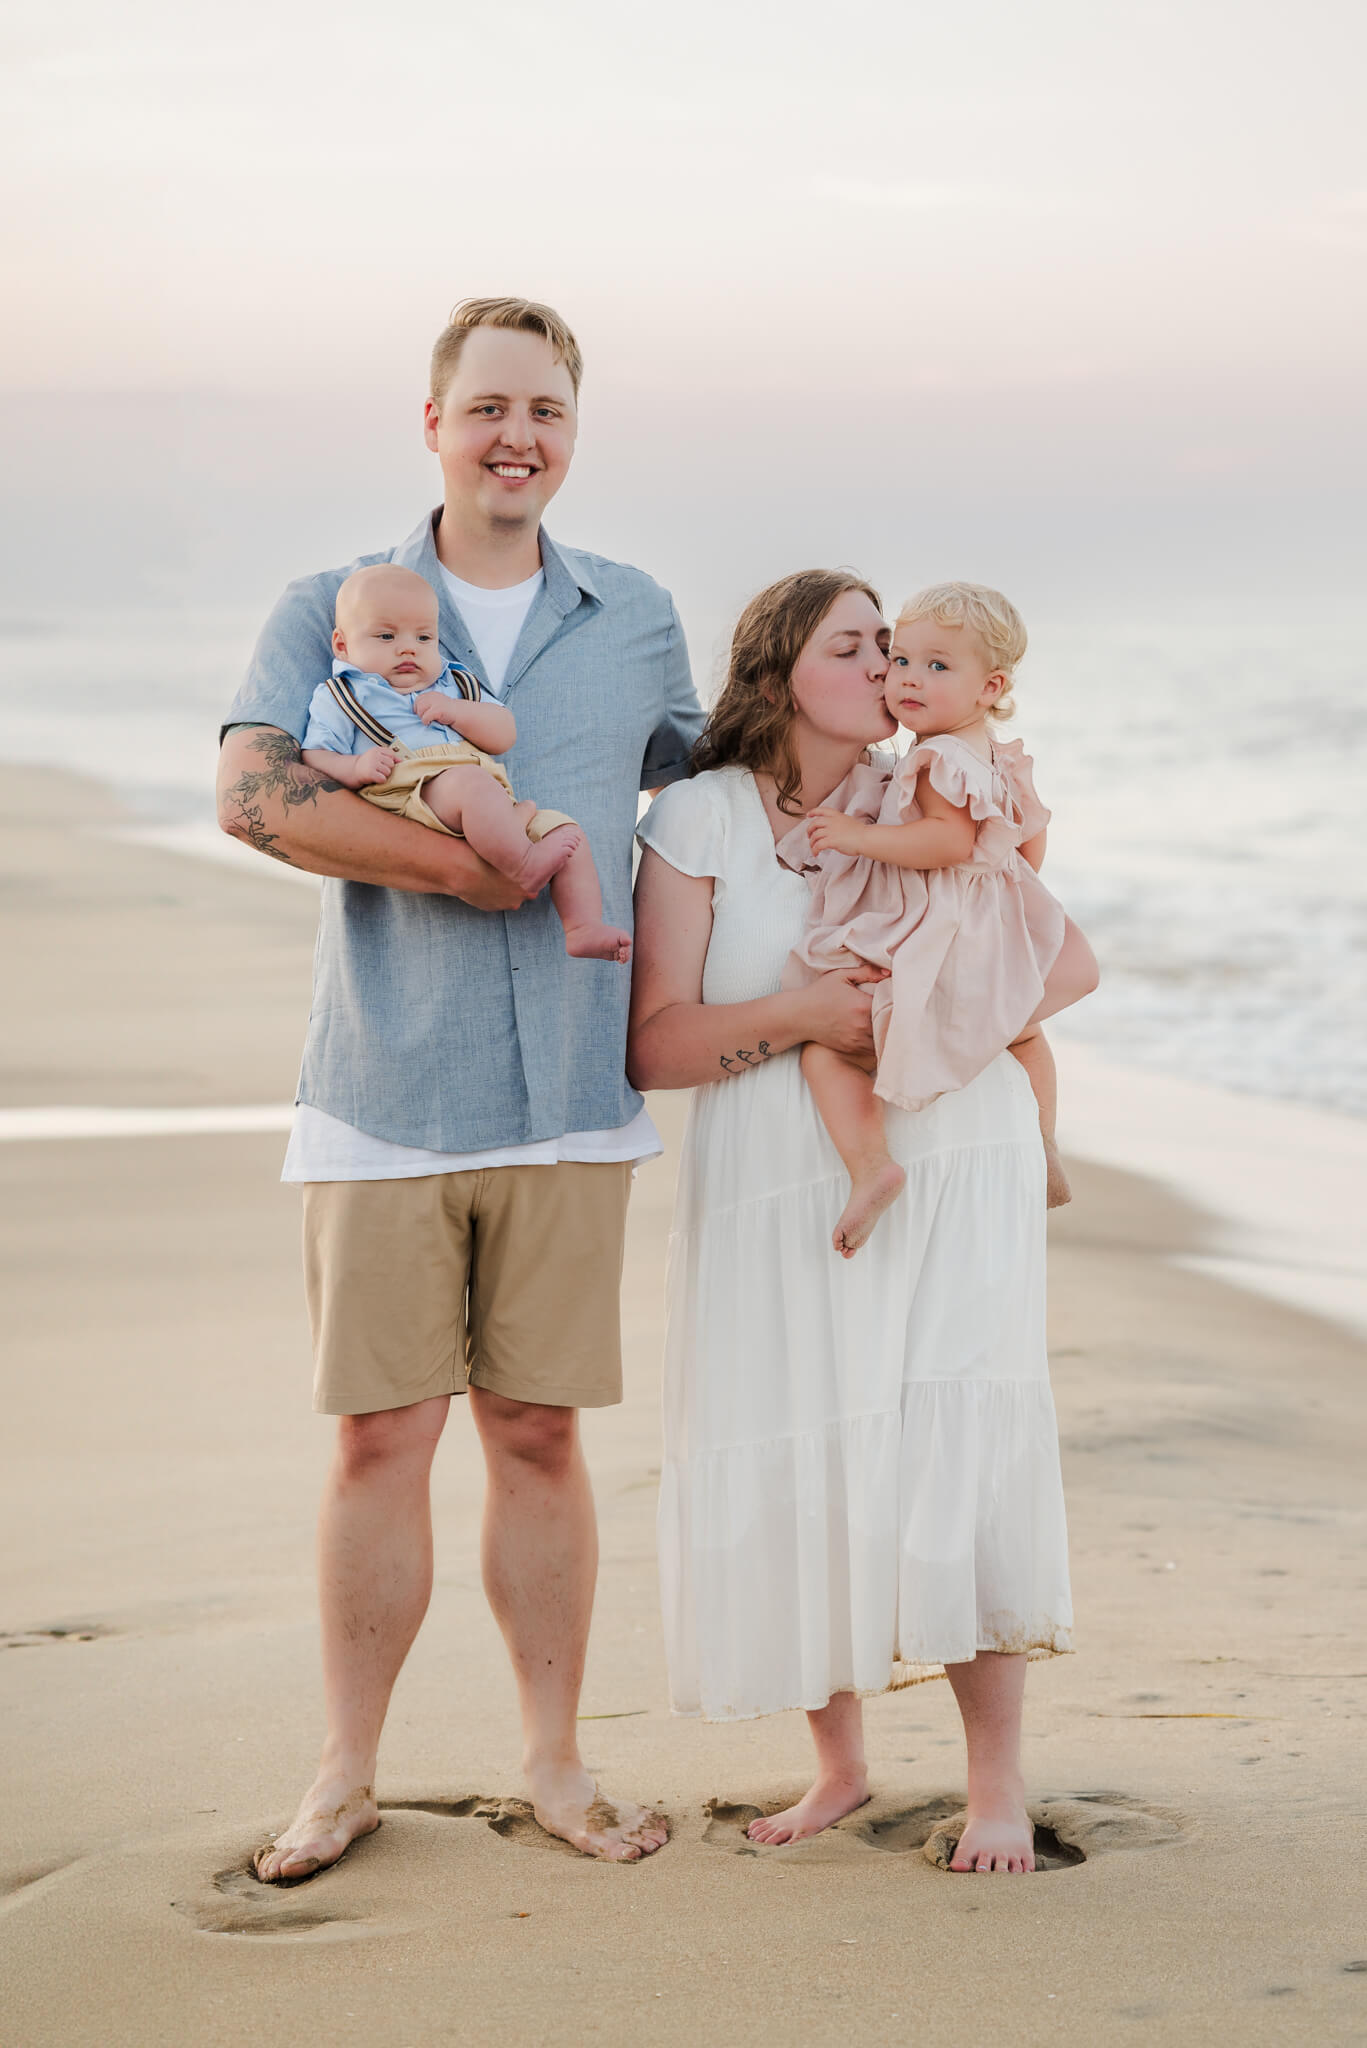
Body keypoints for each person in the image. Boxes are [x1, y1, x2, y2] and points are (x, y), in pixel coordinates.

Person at [216, 295, 701, 1876]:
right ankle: (345, 1772)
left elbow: (721, 799)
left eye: (546, 411)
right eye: (489, 405)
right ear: (432, 424)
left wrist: (936, 785)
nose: (517, 435)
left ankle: (554, 1765)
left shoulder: (629, 615)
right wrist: (465, 874)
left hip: (570, 1091)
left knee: (541, 1437)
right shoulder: (332, 605)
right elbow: (253, 794)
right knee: (375, 1441)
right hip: (383, 1085)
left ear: (571, 435)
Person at [628, 569, 1072, 1874]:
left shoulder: (932, 780)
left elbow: (1013, 940)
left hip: (956, 1148)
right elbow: (654, 1043)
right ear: (778, 674)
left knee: (956, 1431)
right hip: (779, 1177)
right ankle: (839, 1768)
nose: (886, 669)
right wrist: (807, 1019)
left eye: (897, 650)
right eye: (856, 646)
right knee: (793, 1442)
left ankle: (994, 1786)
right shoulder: (697, 818)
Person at [783, 580, 1098, 1255]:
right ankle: (1040, 1139)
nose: (906, 679)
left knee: (827, 1051)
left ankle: (871, 1168)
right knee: (1025, 1036)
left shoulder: (932, 759)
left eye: (936, 666)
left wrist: (856, 835)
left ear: (989, 687)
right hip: (995, 922)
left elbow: (947, 844)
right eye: (901, 660)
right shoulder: (992, 753)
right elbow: (1026, 850)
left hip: (945, 926)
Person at [301, 561, 631, 961]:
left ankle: (582, 926)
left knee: (567, 831)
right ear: (342, 645)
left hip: (480, 794)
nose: (408, 648)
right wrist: (354, 768)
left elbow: (503, 733)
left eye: (424, 637)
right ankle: (524, 865)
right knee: (472, 787)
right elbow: (314, 755)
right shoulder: (342, 696)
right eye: (386, 636)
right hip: (408, 790)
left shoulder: (455, 683)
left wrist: (457, 712)